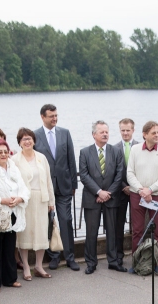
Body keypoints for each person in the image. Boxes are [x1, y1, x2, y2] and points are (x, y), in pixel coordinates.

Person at [35, 104, 79, 270]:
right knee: (48, 223)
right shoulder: (35, 136)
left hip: (64, 186)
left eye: (56, 116)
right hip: (45, 188)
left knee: (66, 220)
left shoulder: (65, 133)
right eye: (51, 116)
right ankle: (54, 256)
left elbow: (71, 159)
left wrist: (74, 184)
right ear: (42, 117)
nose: (54, 119)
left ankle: (70, 257)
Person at [79, 121, 124, 274]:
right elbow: (84, 175)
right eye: (101, 132)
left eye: (107, 132)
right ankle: (91, 263)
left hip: (111, 198)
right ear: (94, 135)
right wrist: (99, 192)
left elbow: (119, 175)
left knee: (112, 231)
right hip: (92, 198)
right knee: (91, 232)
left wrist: (107, 193)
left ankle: (113, 261)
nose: (105, 134)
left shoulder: (116, 151)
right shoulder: (85, 152)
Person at [126, 121, 158, 274]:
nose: (157, 135)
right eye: (154, 133)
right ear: (145, 135)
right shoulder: (135, 149)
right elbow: (130, 173)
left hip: (156, 196)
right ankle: (136, 263)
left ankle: (157, 263)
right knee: (137, 230)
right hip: (137, 195)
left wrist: (150, 189)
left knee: (157, 230)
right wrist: (141, 190)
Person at [0, 138, 29, 291]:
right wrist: (2, 200)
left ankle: (10, 278)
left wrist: (19, 199)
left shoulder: (13, 168)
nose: (3, 154)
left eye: (5, 152)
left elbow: (23, 188)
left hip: (12, 212)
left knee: (9, 248)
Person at [13, 128, 56, 280]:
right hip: (24, 201)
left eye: (29, 138)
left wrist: (51, 201)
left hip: (41, 199)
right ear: (19, 142)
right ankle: (26, 266)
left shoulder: (41, 157)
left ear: (34, 140)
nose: (27, 141)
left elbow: (48, 180)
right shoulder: (15, 160)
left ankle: (38, 265)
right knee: (24, 233)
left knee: (41, 233)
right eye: (24, 139)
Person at [113, 118, 138, 271]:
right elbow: (114, 171)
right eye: (123, 130)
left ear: (133, 130)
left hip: (137, 191)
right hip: (120, 192)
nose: (125, 133)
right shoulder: (114, 148)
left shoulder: (140, 146)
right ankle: (118, 256)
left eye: (128, 130)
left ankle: (138, 256)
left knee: (138, 226)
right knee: (119, 226)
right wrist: (123, 186)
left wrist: (134, 186)